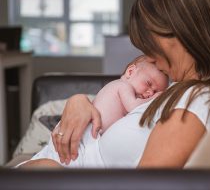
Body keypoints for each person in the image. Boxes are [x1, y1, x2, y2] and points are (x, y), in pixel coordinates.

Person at [21, 0, 210, 168]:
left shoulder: (199, 101)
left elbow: (147, 182)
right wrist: (79, 101)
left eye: (150, 46)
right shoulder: (180, 89)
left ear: (179, 33)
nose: (150, 57)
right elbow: (115, 106)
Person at [18, 55, 169, 168]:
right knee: (49, 165)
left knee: (53, 166)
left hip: (88, 143)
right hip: (83, 136)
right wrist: (156, 97)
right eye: (149, 84)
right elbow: (134, 106)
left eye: (156, 90)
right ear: (130, 72)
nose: (150, 92)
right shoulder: (122, 86)